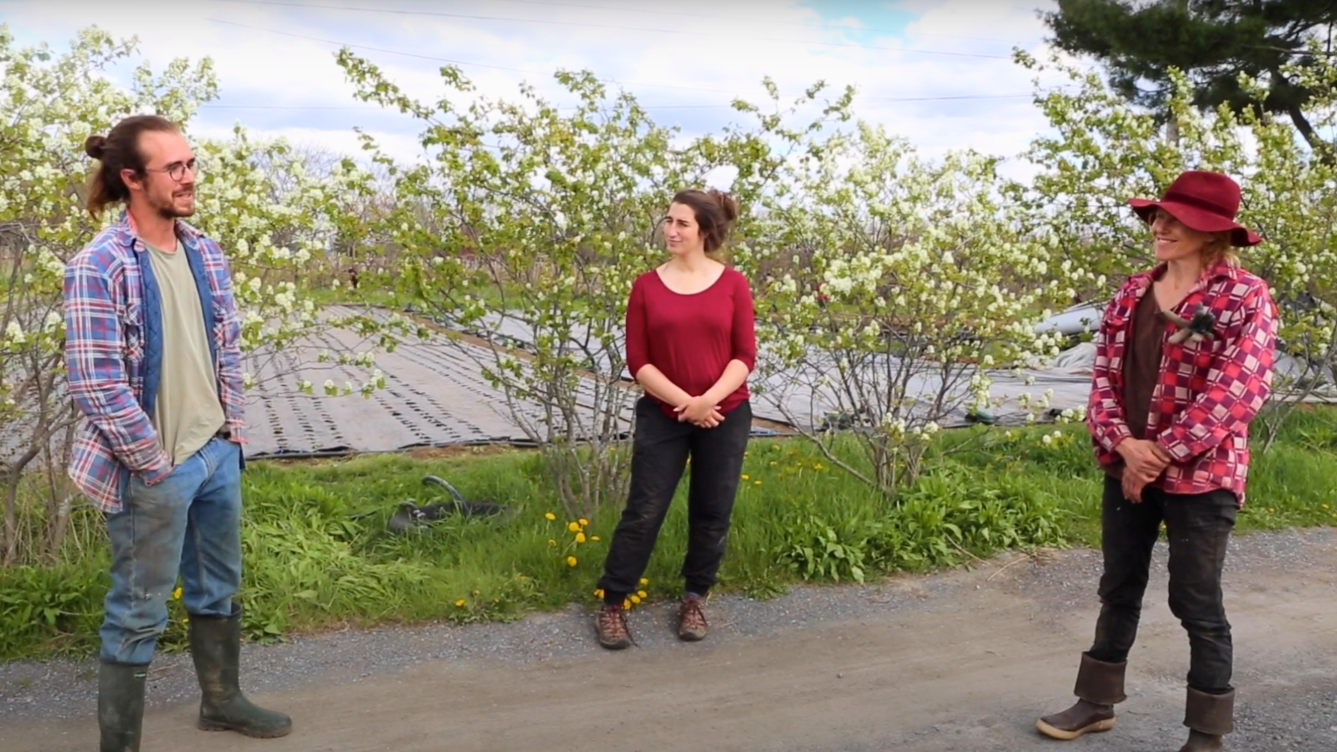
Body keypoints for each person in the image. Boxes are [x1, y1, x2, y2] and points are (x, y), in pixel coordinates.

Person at [64, 115, 291, 752]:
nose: (189, 178)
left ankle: (221, 702)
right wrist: (153, 462)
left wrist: (230, 438)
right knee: (138, 611)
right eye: (175, 169)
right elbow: (95, 381)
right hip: (152, 468)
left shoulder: (204, 250)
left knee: (218, 586)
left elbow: (226, 348)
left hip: (216, 453)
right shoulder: (100, 265)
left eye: (191, 164)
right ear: (132, 179)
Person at [1036, 170, 1278, 752]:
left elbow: (1239, 390)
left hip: (1203, 473)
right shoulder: (1130, 293)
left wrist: (1163, 453)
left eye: (1176, 218)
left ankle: (1206, 734)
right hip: (1127, 461)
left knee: (1196, 601)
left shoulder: (1244, 297)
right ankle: (1096, 703)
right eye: (1157, 216)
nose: (1160, 226)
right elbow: (1102, 382)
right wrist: (1125, 446)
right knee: (1118, 585)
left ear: (1212, 232)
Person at [594, 188, 757, 649]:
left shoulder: (733, 284)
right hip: (664, 415)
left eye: (681, 223)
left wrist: (709, 401)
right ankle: (613, 602)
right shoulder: (647, 285)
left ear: (704, 230)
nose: (670, 230)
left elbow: (745, 354)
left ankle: (693, 597)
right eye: (668, 221)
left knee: (712, 511)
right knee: (644, 511)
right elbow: (639, 360)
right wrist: (687, 403)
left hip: (725, 412)